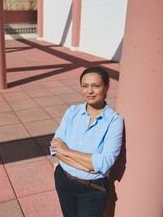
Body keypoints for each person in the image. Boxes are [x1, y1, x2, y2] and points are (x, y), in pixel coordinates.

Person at [50, 67, 123, 217]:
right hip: (63, 179)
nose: (89, 91)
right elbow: (55, 148)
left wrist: (68, 152)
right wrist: (89, 167)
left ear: (107, 87)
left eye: (96, 86)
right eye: (85, 86)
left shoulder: (114, 121)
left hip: (92, 189)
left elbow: (104, 163)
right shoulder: (72, 112)